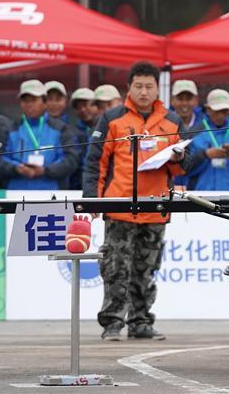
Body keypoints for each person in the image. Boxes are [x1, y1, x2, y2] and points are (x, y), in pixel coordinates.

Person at [83, 61, 193, 341]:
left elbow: (182, 168)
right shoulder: (112, 119)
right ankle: (112, 323)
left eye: (149, 86)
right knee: (115, 268)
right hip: (119, 207)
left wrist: (179, 157)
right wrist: (93, 202)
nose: (144, 92)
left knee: (146, 269)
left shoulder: (171, 121)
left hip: (155, 207)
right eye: (138, 86)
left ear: (158, 89)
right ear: (129, 88)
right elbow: (96, 163)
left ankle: (141, 322)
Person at [0, 80, 80, 190]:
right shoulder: (10, 129)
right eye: (25, 100)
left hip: (53, 195)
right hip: (15, 195)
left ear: (44, 102)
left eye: (33, 100)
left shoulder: (61, 129)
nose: (29, 104)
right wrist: (16, 168)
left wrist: (45, 170)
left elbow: (71, 159)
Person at [189, 89, 229, 191]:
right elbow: (184, 169)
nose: (220, 115)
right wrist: (205, 155)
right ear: (208, 109)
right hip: (201, 195)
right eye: (217, 111)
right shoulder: (194, 133)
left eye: (224, 111)